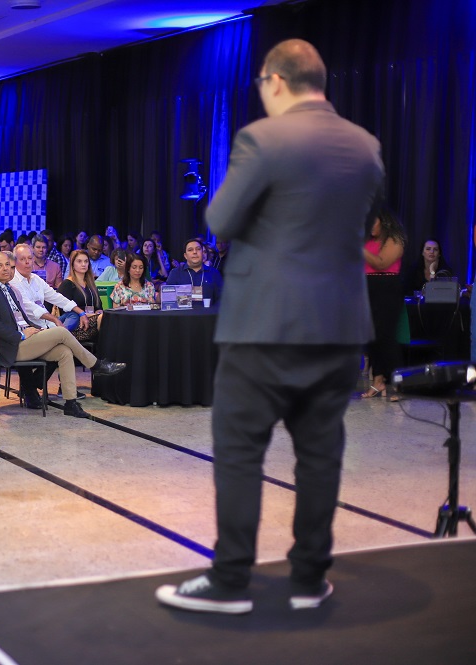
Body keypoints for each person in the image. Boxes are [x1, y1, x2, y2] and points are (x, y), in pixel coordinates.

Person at [155, 39, 384, 615]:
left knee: (239, 451)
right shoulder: (366, 146)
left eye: (261, 85)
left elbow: (220, 219)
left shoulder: (262, 138)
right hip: (340, 326)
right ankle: (309, 579)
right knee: (321, 453)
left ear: (275, 81)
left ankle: (231, 580)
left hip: (264, 325)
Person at [0, 251, 125, 415]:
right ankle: (96, 365)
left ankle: (71, 403)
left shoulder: (8, 288)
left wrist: (34, 329)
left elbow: (23, 316)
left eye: (7, 264)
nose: (6, 269)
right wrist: (22, 335)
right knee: (61, 332)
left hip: (25, 337)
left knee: (64, 352)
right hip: (11, 346)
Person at [361, 208, 406, 399]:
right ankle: (378, 380)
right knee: (371, 337)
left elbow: (381, 263)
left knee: (386, 336)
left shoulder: (395, 240)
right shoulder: (366, 241)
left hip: (387, 287)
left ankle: (399, 384)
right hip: (366, 287)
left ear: (384, 222)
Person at [12, 244, 88, 332]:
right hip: (33, 328)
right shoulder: (13, 281)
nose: (27, 262)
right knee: (64, 334)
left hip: (49, 324)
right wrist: (54, 319)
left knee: (74, 314)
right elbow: (29, 307)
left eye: (30, 258)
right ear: (14, 262)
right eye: (22, 259)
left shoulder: (36, 279)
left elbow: (55, 296)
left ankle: (61, 334)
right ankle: (62, 334)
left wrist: (81, 312)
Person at [58, 249, 103, 344]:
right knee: (103, 319)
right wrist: (87, 315)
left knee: (108, 318)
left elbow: (99, 306)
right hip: (78, 324)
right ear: (72, 265)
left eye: (86, 261)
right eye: (79, 261)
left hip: (94, 320)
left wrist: (99, 311)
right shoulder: (67, 284)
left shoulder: (91, 284)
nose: (83, 264)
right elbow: (65, 311)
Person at [165, 238, 224, 305]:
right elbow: (168, 299)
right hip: (183, 311)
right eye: (190, 250)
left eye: (198, 249)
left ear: (202, 253)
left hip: (208, 311)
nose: (195, 252)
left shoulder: (214, 273)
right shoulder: (175, 273)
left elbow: (221, 299)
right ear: (185, 256)